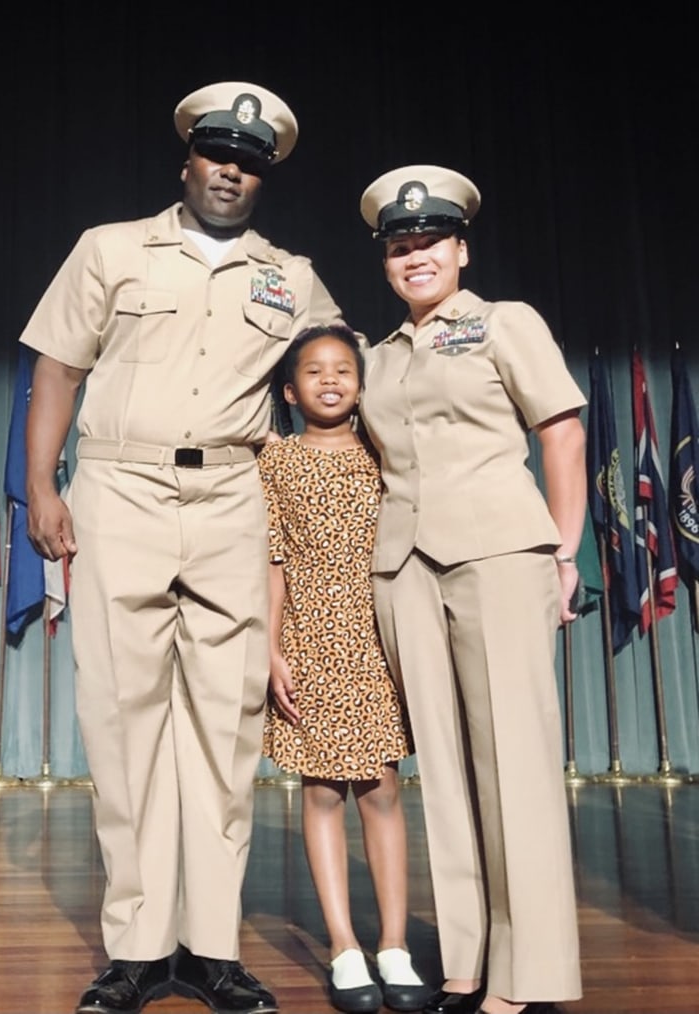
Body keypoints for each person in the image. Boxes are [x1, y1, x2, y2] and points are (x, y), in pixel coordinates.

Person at [20, 81, 346, 1014]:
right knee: (122, 722)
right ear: (188, 159)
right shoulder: (111, 248)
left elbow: (334, 378)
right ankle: (134, 949)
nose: (230, 172)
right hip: (121, 485)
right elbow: (58, 366)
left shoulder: (293, 275)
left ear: (263, 176)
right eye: (217, 154)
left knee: (225, 725)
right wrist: (42, 486)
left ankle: (210, 946)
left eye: (248, 162)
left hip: (235, 497)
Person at [356, 165, 587, 1014]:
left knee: (513, 766)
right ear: (387, 263)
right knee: (445, 773)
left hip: (497, 554)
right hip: (404, 566)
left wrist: (563, 553)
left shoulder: (504, 323)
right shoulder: (377, 359)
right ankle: (467, 959)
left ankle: (531, 975)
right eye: (400, 247)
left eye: (428, 243)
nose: (414, 257)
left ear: (460, 248)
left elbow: (560, 434)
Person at [258, 325, 431, 1014]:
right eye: (314, 371)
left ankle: (394, 944)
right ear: (289, 389)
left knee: (382, 790)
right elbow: (270, 563)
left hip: (378, 637)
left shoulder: (384, 453)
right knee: (324, 790)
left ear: (362, 383)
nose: (329, 380)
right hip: (310, 641)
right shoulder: (275, 462)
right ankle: (343, 944)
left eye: (343, 369)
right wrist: (270, 649)